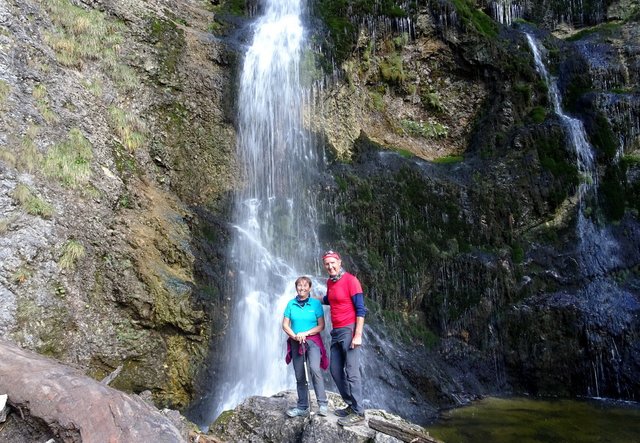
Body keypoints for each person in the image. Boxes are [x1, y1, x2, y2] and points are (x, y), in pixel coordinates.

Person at [320, 250, 367, 426]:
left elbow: (361, 309)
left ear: (340, 262)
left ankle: (359, 412)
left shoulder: (351, 281)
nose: (330, 266)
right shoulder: (330, 282)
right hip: (336, 331)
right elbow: (330, 299)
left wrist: (358, 334)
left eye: (333, 263)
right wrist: (309, 299)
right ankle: (350, 404)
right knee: (335, 370)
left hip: (349, 330)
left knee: (352, 371)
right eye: (327, 264)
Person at [282, 276, 329, 418]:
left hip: (313, 341)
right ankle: (302, 407)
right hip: (296, 342)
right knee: (299, 374)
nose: (302, 288)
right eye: (299, 285)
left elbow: (321, 325)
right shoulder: (291, 304)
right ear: (296, 287)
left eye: (305, 285)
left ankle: (322, 404)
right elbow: (285, 325)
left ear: (310, 288)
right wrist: (295, 336)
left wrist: (305, 333)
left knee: (314, 369)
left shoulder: (315, 304)